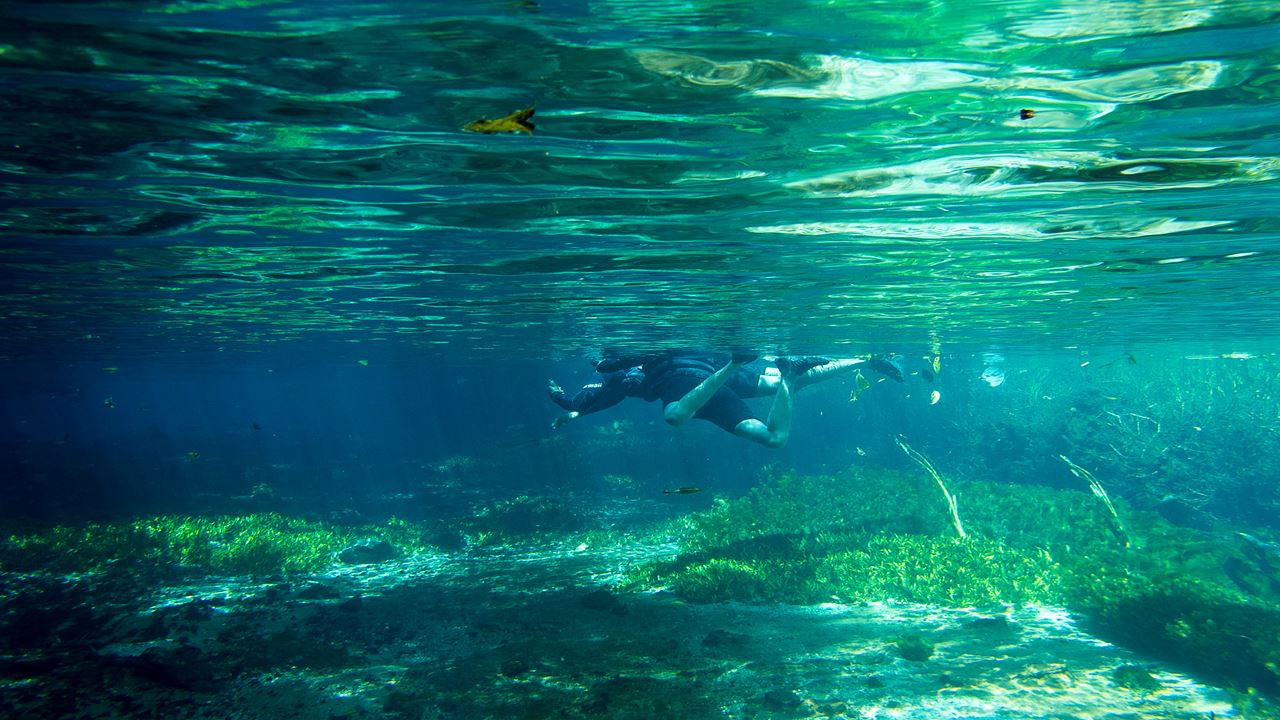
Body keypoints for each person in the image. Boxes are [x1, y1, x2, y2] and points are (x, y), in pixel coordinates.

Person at [548, 352, 902, 448]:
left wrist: (570, 405)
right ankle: (866, 359)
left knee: (674, 416)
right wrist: (574, 412)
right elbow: (601, 398)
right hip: (720, 374)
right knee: (785, 386)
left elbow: (602, 394)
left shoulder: (616, 367)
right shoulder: (619, 364)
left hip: (695, 381)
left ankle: (766, 369)